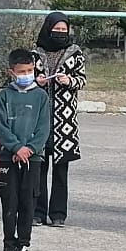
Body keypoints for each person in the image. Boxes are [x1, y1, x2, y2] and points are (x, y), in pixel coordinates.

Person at [0, 48, 49, 251]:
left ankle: (23, 248)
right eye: (21, 71)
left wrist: (29, 149)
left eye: (30, 70)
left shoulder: (41, 97)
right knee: (10, 203)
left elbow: (44, 128)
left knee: (28, 202)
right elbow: (1, 126)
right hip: (9, 157)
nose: (26, 74)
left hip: (32, 159)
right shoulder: (5, 96)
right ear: (12, 72)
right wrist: (16, 147)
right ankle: (8, 247)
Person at [32, 11, 86, 227]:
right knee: (39, 168)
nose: (60, 33)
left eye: (64, 30)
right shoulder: (35, 53)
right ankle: (37, 212)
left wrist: (69, 80)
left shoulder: (75, 53)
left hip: (65, 123)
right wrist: (37, 81)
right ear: (48, 28)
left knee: (61, 170)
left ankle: (58, 214)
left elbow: (82, 80)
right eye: (57, 29)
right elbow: (26, 78)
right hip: (40, 121)